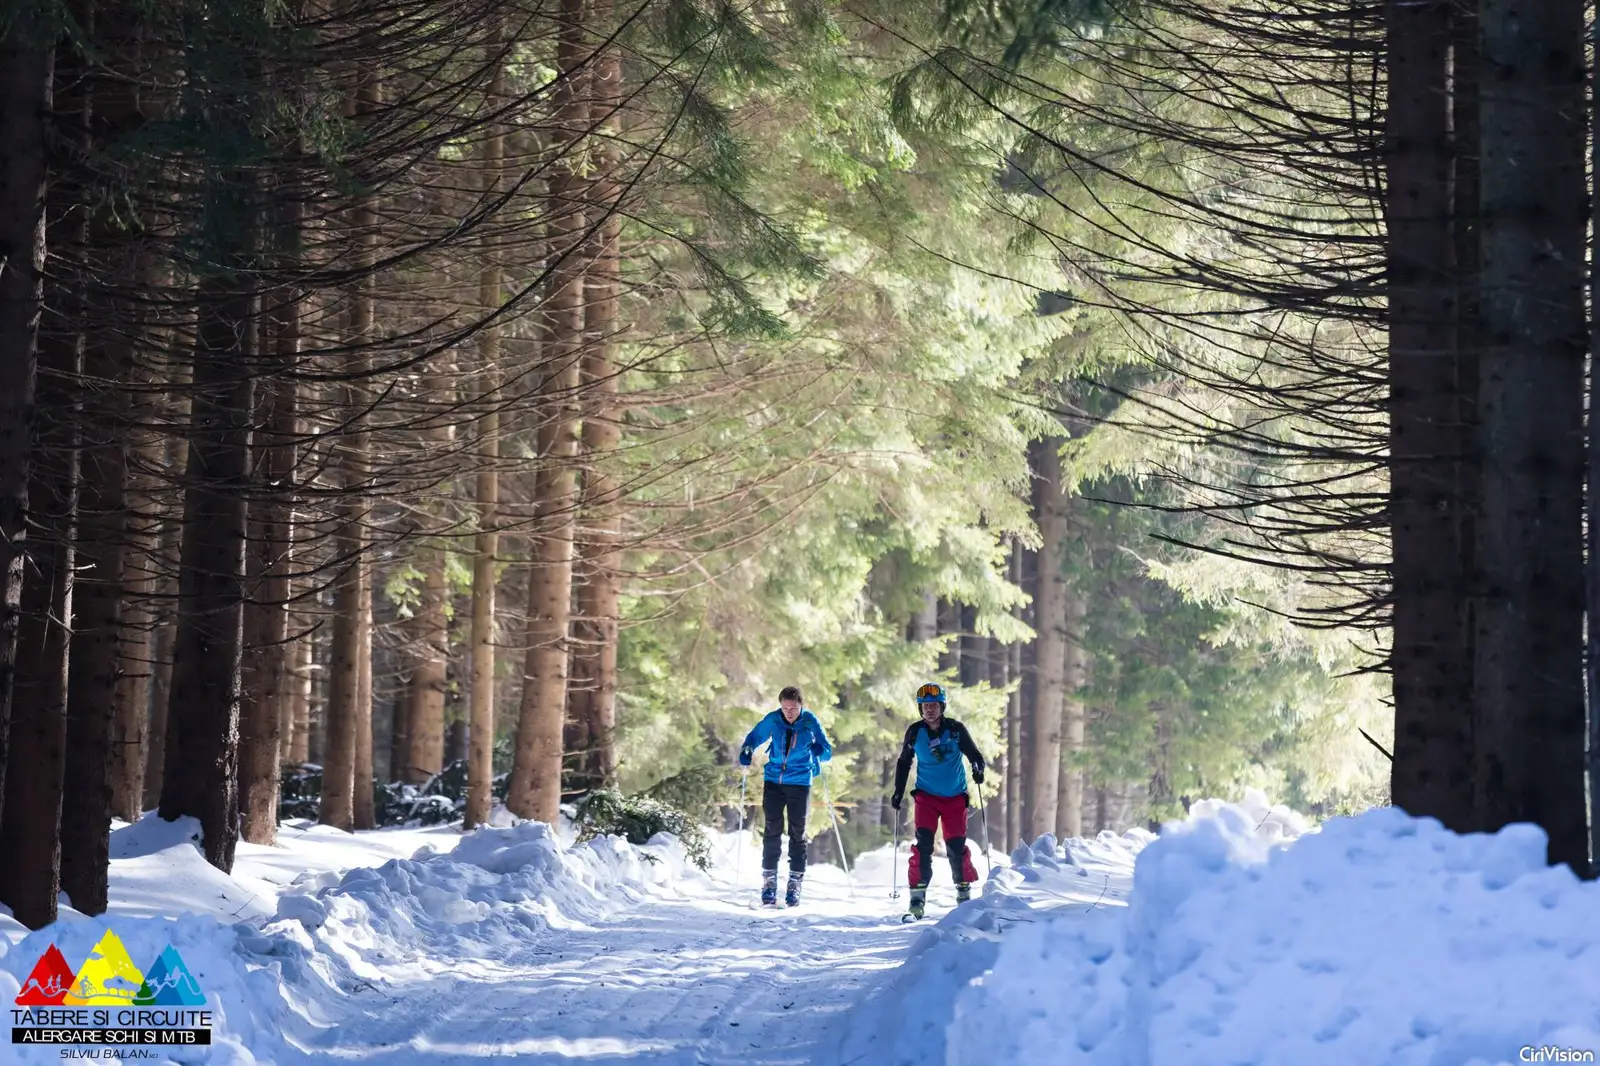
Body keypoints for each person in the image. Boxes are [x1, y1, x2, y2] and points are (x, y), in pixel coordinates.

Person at [890, 681, 985, 920]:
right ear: (920, 709)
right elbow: (904, 762)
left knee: (956, 847)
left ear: (942, 707)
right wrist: (898, 792)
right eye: (925, 706)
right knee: (923, 846)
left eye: (933, 705)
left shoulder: (956, 729)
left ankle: (963, 896)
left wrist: (978, 769)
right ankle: (917, 899)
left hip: (955, 797)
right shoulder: (915, 732)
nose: (929, 710)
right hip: (926, 797)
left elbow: (974, 755)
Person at [739, 685, 833, 906]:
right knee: (772, 828)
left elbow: (827, 751)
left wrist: (820, 750)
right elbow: (755, 736)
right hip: (774, 780)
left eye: (793, 708)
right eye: (785, 708)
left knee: (797, 832)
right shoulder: (773, 719)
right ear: (781, 706)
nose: (789, 713)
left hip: (800, 782)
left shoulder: (810, 721)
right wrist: (747, 749)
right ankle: (769, 882)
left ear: (801, 706)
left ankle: (794, 883)